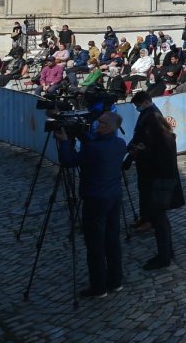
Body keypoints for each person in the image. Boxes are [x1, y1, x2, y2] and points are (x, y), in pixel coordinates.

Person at [57, 111, 126, 298]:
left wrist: (65, 141)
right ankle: (116, 280)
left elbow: (69, 161)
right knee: (112, 240)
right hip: (114, 196)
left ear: (107, 127)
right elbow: (95, 141)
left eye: (101, 122)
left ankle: (99, 287)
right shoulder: (120, 143)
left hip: (95, 199)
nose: (96, 124)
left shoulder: (94, 148)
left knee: (95, 244)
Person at [126, 91, 184, 269]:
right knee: (159, 216)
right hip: (157, 175)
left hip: (158, 177)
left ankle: (164, 256)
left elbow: (157, 149)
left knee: (159, 217)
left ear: (144, 102)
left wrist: (140, 151)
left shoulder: (153, 119)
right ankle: (166, 251)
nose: (138, 109)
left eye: (138, 105)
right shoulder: (150, 115)